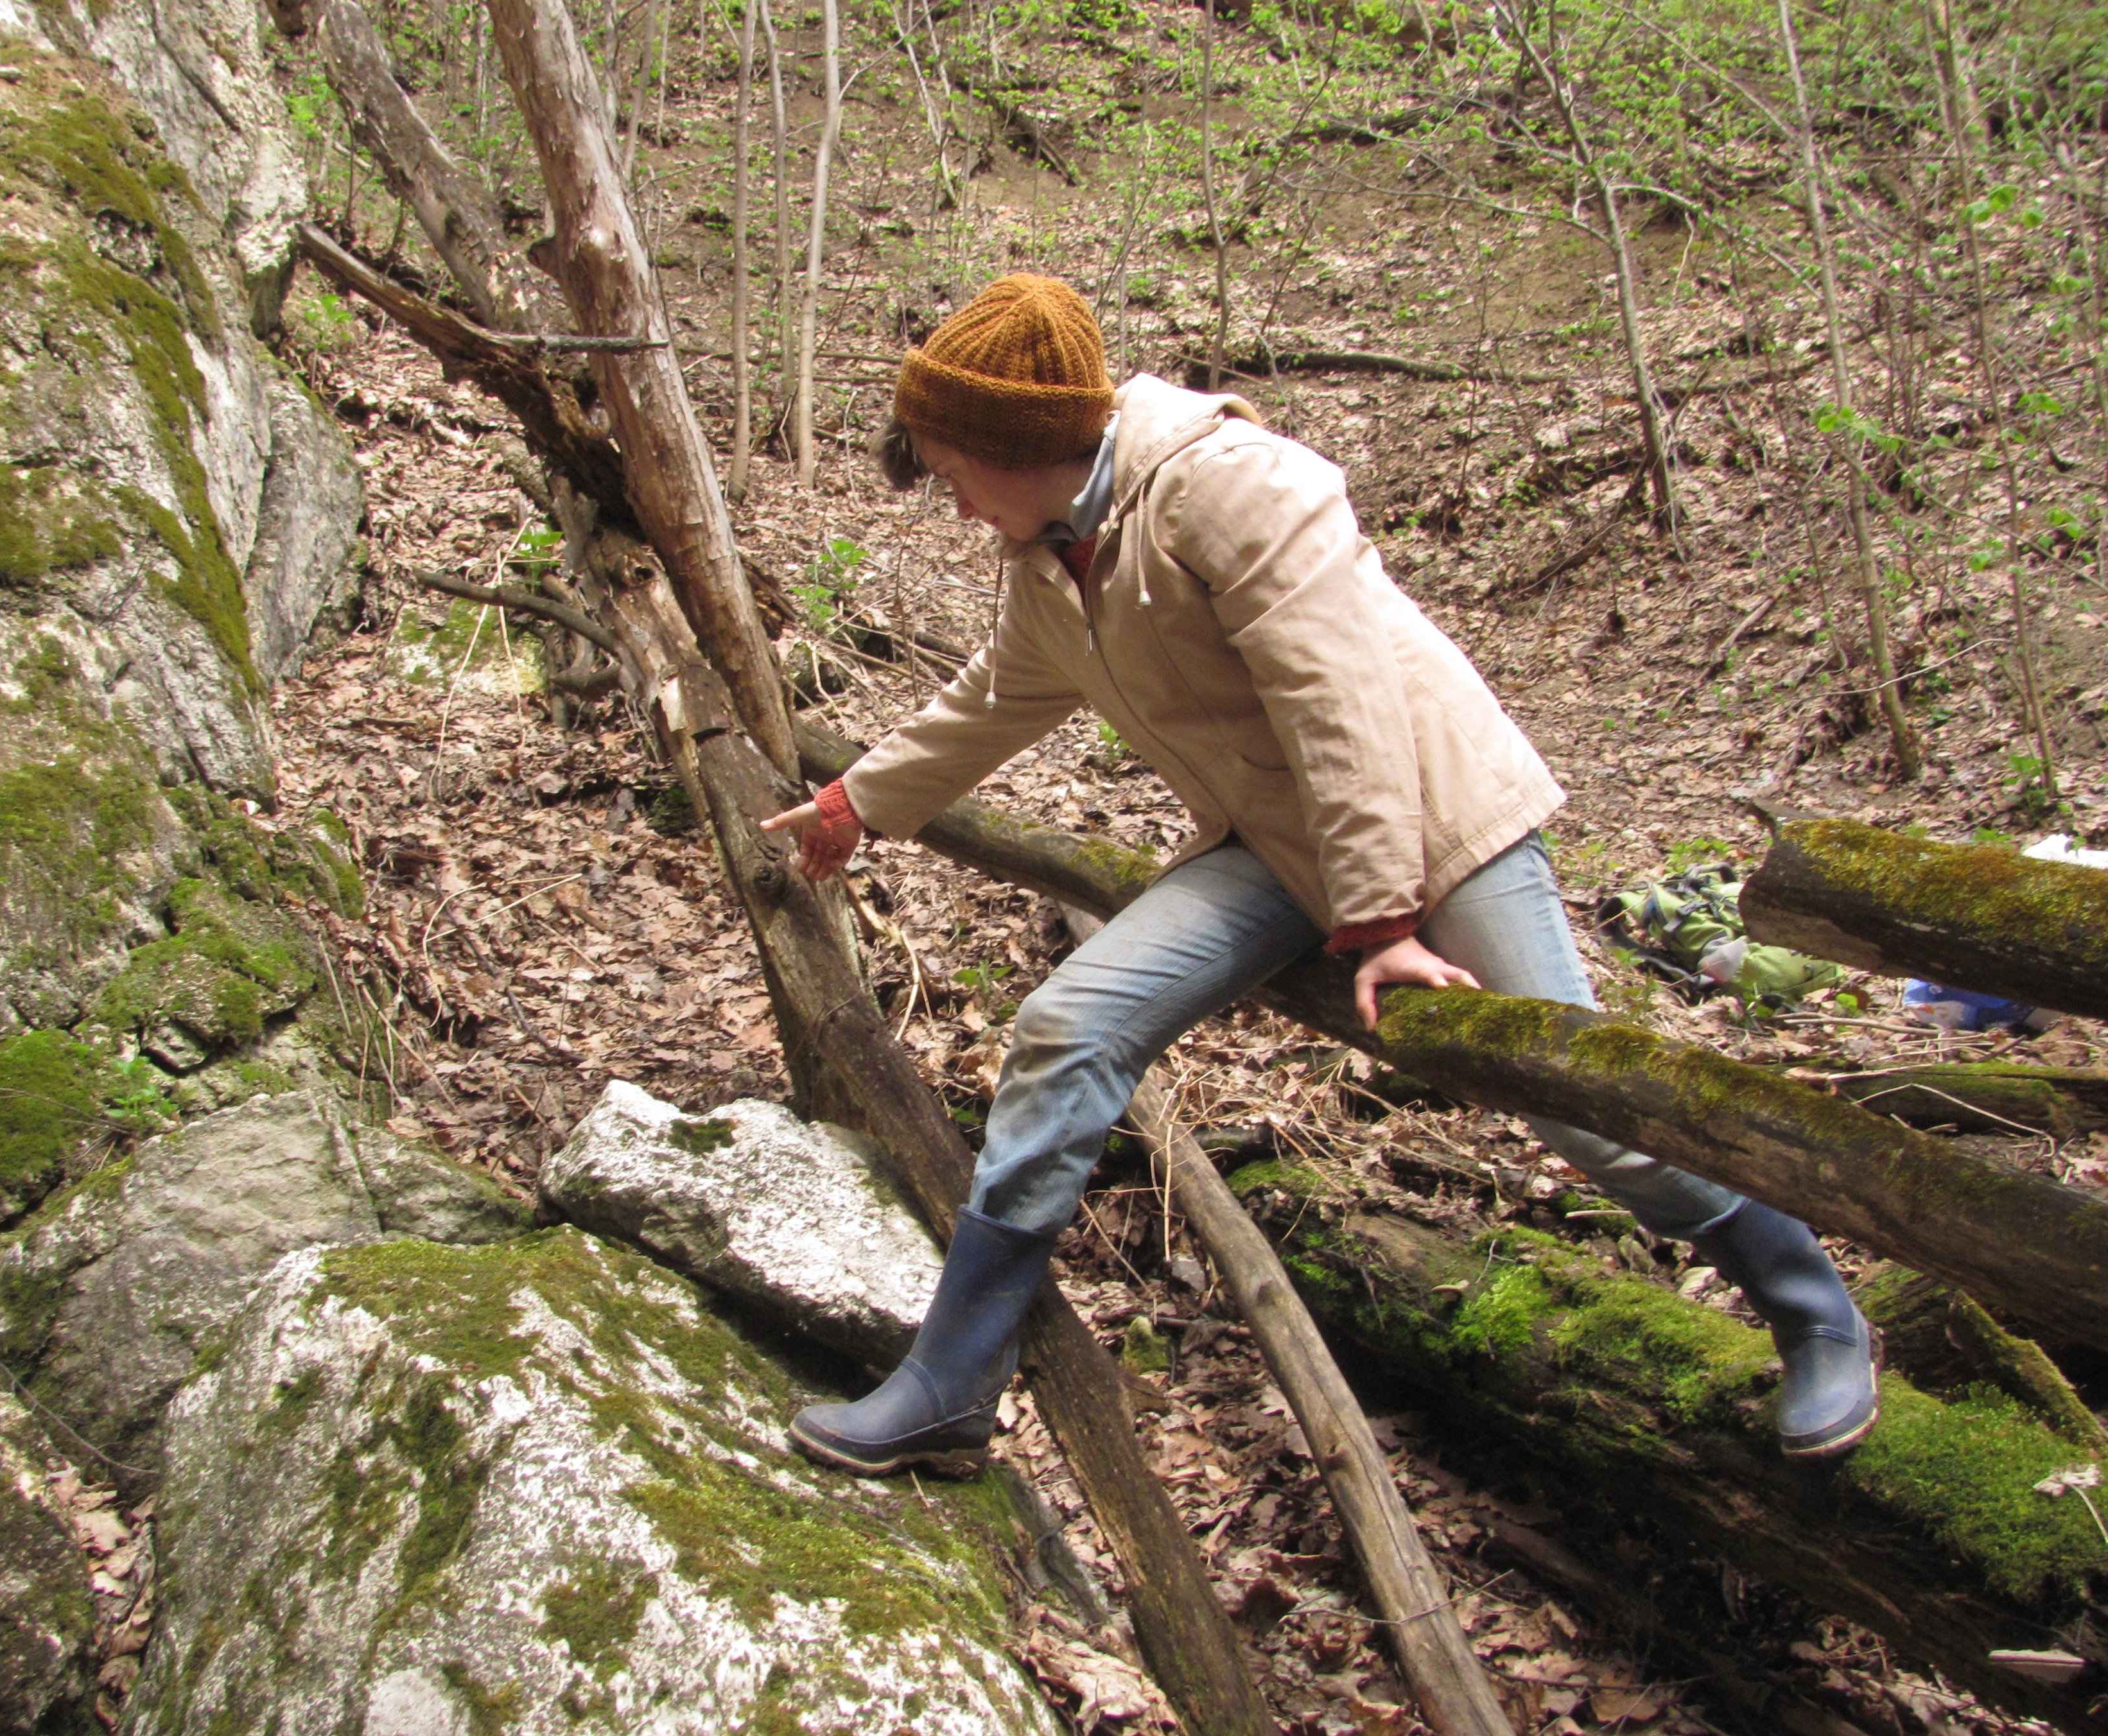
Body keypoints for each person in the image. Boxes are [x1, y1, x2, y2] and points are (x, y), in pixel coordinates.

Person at [759, 273, 1876, 1476]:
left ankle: (1812, 1306)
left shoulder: (1231, 485)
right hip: (1278, 842)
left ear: (1018, 446)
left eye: (953, 471)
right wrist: (859, 802)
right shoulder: (1047, 555)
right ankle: (951, 1383)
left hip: (1436, 818)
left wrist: (1380, 915)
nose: (957, 504)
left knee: (1578, 1102)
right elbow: (998, 696)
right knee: (1066, 1028)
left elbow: (1339, 700)